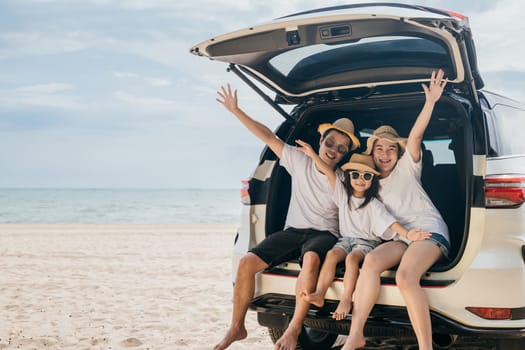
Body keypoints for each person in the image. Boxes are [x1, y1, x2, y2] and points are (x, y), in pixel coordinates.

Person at [213, 84, 361, 350]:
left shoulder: (341, 177)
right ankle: (236, 327)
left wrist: (315, 156)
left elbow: (333, 183)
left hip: (324, 234)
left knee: (312, 259)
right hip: (294, 230)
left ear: (346, 154)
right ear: (321, 139)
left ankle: (293, 329)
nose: (334, 151)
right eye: (330, 143)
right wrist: (236, 111)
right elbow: (269, 137)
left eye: (341, 149)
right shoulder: (298, 161)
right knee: (246, 262)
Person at [344, 69, 451, 350]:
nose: (386, 153)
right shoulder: (368, 181)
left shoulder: (407, 168)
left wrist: (430, 102)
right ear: (373, 150)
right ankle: (356, 334)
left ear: (398, 153)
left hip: (428, 232)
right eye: (380, 148)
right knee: (371, 263)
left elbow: (415, 138)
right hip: (402, 236)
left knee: (405, 277)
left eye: (392, 148)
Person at [295, 143, 431, 322]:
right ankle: (319, 293)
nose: (360, 179)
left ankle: (346, 299)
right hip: (345, 240)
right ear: (349, 177)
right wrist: (312, 154)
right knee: (332, 254)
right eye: (356, 175)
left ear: (372, 180)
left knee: (352, 259)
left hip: (366, 242)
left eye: (367, 176)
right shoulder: (343, 196)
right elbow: (328, 172)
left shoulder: (374, 204)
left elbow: (391, 223)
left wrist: (408, 234)